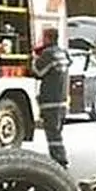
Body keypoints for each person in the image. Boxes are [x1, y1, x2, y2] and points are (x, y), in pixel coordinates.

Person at [30, 27, 70, 168]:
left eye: (44, 37)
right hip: (63, 100)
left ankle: (60, 160)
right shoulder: (63, 53)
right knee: (57, 132)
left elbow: (37, 72)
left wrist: (34, 59)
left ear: (47, 38)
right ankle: (60, 159)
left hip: (50, 101)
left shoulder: (48, 54)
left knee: (53, 134)